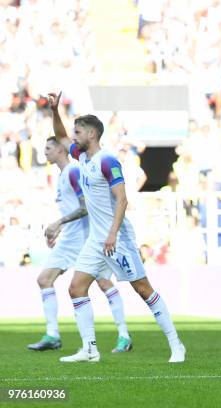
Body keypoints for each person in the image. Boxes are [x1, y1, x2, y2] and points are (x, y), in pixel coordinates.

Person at [47, 91, 185, 363]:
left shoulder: (107, 161)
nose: (72, 138)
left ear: (91, 135)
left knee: (143, 289)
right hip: (96, 240)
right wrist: (55, 111)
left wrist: (112, 234)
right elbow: (62, 137)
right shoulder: (82, 157)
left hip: (117, 238)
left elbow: (122, 198)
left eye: (78, 133)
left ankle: (176, 344)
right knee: (76, 288)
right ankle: (89, 349)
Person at [27, 136, 133, 353]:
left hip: (83, 238)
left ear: (59, 150)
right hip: (72, 237)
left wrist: (59, 222)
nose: (44, 152)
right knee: (45, 280)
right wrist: (59, 229)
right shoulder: (64, 175)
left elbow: (85, 207)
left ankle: (123, 335)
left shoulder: (74, 172)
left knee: (103, 283)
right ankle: (53, 335)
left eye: (48, 148)